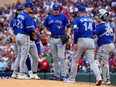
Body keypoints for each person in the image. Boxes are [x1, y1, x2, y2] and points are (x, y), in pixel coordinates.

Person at [64, 6, 102, 86]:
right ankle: (99, 78)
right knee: (92, 61)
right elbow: (95, 34)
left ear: (79, 12)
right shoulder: (91, 20)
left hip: (81, 40)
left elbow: (76, 31)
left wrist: (75, 43)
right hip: (91, 41)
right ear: (85, 12)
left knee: (75, 60)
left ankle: (71, 79)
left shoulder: (77, 20)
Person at [43, 4, 71, 81]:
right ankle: (56, 74)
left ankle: (64, 75)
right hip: (52, 38)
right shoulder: (49, 17)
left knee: (61, 57)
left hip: (61, 39)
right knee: (54, 57)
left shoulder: (63, 16)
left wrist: (68, 35)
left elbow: (69, 27)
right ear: (52, 10)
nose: (56, 11)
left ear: (59, 10)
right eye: (55, 9)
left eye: (57, 9)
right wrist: (46, 31)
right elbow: (44, 27)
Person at [16, 1, 40, 79]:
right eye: (31, 8)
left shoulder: (20, 15)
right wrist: (35, 32)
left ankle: (21, 73)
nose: (32, 9)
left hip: (19, 35)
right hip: (24, 36)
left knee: (21, 55)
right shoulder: (27, 16)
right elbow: (29, 29)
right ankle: (21, 73)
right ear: (26, 8)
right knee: (24, 56)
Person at [95, 9, 115, 85]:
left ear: (101, 17)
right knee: (103, 61)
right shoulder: (111, 25)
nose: (97, 18)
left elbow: (94, 36)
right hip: (112, 45)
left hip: (105, 46)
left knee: (104, 63)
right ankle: (105, 78)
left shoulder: (100, 26)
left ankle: (106, 80)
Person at [9, 5, 24, 79]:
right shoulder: (13, 20)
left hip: (22, 38)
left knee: (20, 56)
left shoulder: (24, 18)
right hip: (16, 38)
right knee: (19, 55)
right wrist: (13, 35)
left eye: (21, 10)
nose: (20, 11)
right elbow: (10, 29)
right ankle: (17, 72)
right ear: (17, 11)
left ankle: (16, 73)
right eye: (19, 10)